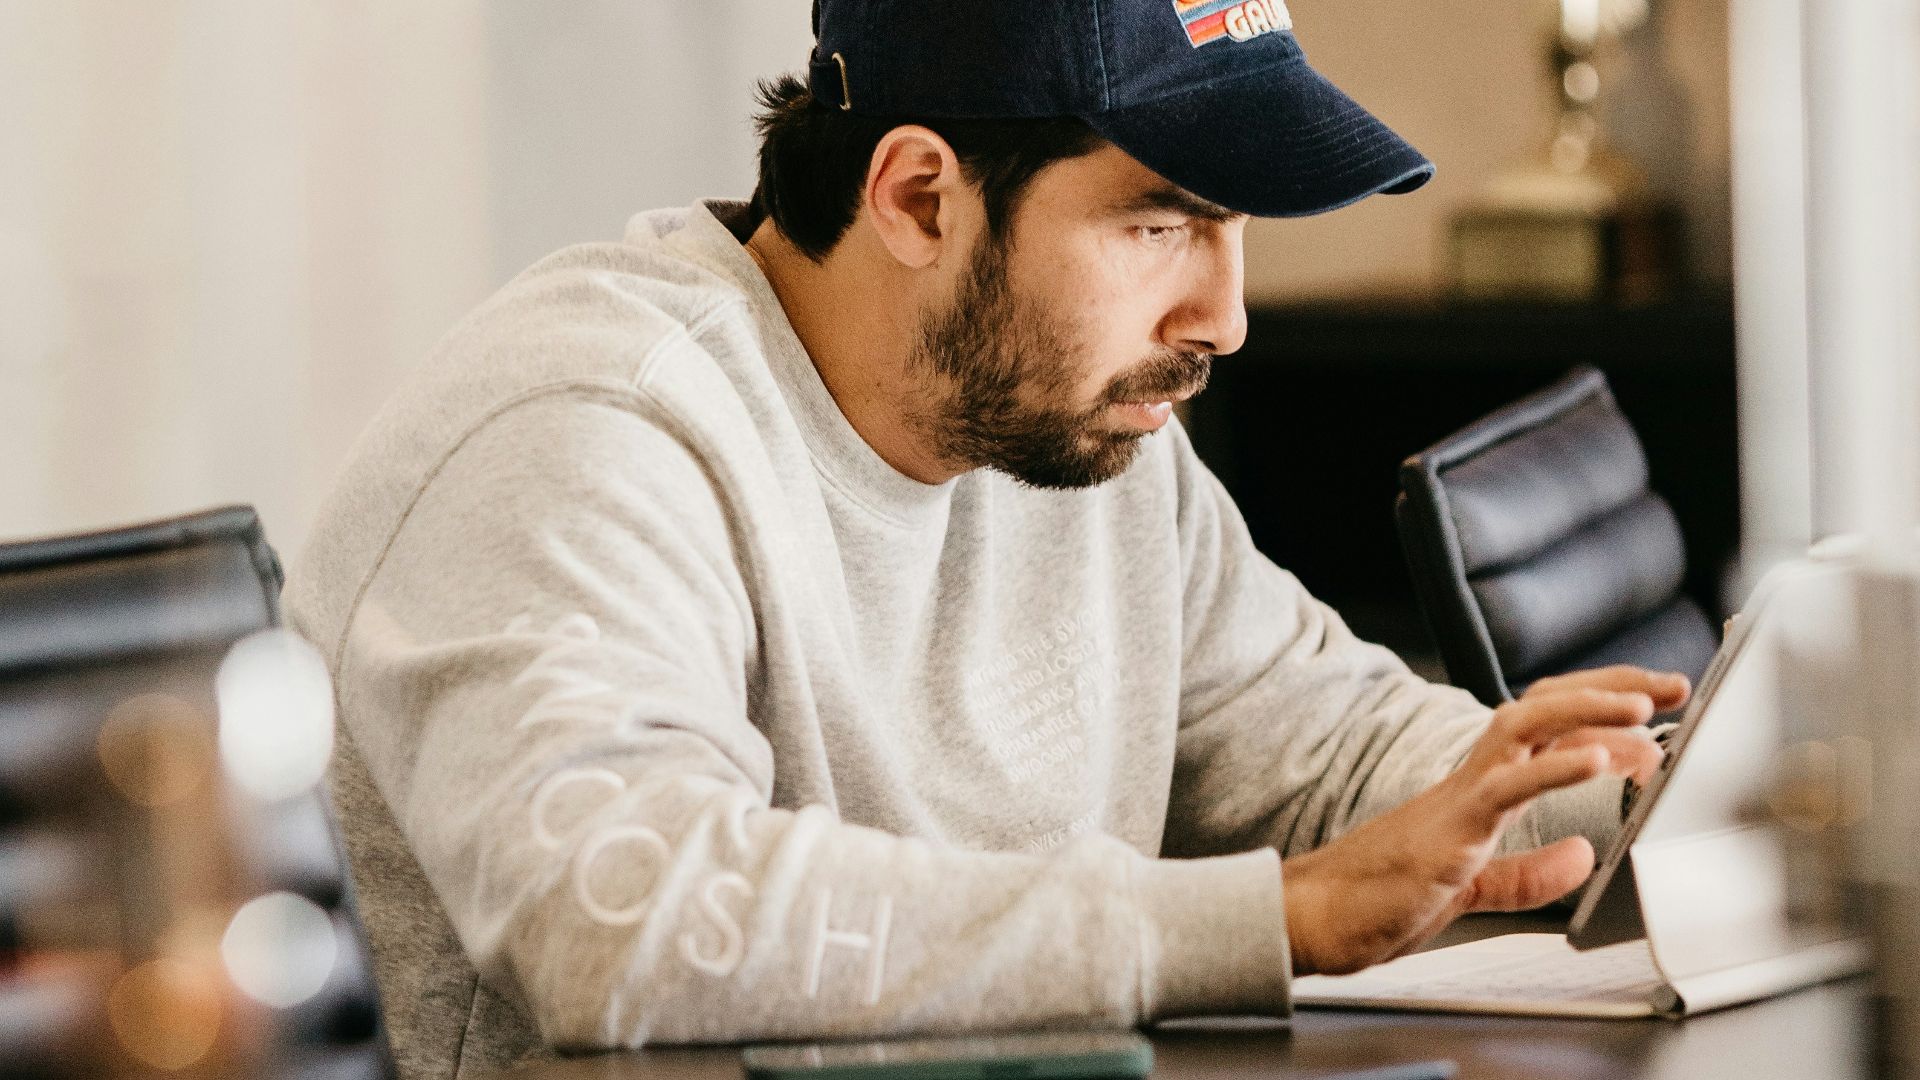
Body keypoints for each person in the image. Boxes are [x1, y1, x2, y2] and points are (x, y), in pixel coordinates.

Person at [286, 2, 1687, 1077]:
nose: (1224, 317)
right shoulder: (590, 432)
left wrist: (1677, 795)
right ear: (917, 197)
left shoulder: (1071, 424)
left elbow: (1330, 752)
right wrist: (1269, 922)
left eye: (1233, 228)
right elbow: (630, 917)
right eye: (1160, 224)